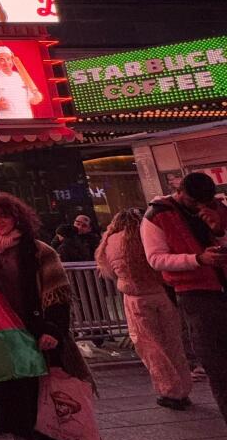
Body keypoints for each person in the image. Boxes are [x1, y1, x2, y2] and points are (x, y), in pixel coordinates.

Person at [0, 193, 98, 440]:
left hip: (43, 341)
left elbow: (58, 294)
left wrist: (52, 330)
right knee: (21, 416)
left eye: (4, 215)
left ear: (18, 217)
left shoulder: (40, 251)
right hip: (6, 344)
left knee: (60, 410)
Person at [142, 172, 227, 421]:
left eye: (205, 202)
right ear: (180, 193)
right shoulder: (157, 215)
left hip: (221, 285)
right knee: (217, 363)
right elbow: (156, 258)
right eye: (193, 202)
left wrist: (219, 230)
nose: (200, 207)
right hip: (195, 292)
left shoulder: (217, 209)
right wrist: (197, 260)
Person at [97, 208, 192, 409]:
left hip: (135, 298)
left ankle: (169, 391)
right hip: (161, 294)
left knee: (150, 346)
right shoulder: (148, 235)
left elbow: (109, 271)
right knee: (173, 343)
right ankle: (184, 388)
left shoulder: (112, 241)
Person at [0, 45, 43, 120]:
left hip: (27, 121)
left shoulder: (22, 76)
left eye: (8, 59)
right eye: (2, 60)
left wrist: (38, 97)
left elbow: (33, 100)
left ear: (12, 60)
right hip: (7, 124)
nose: (6, 62)